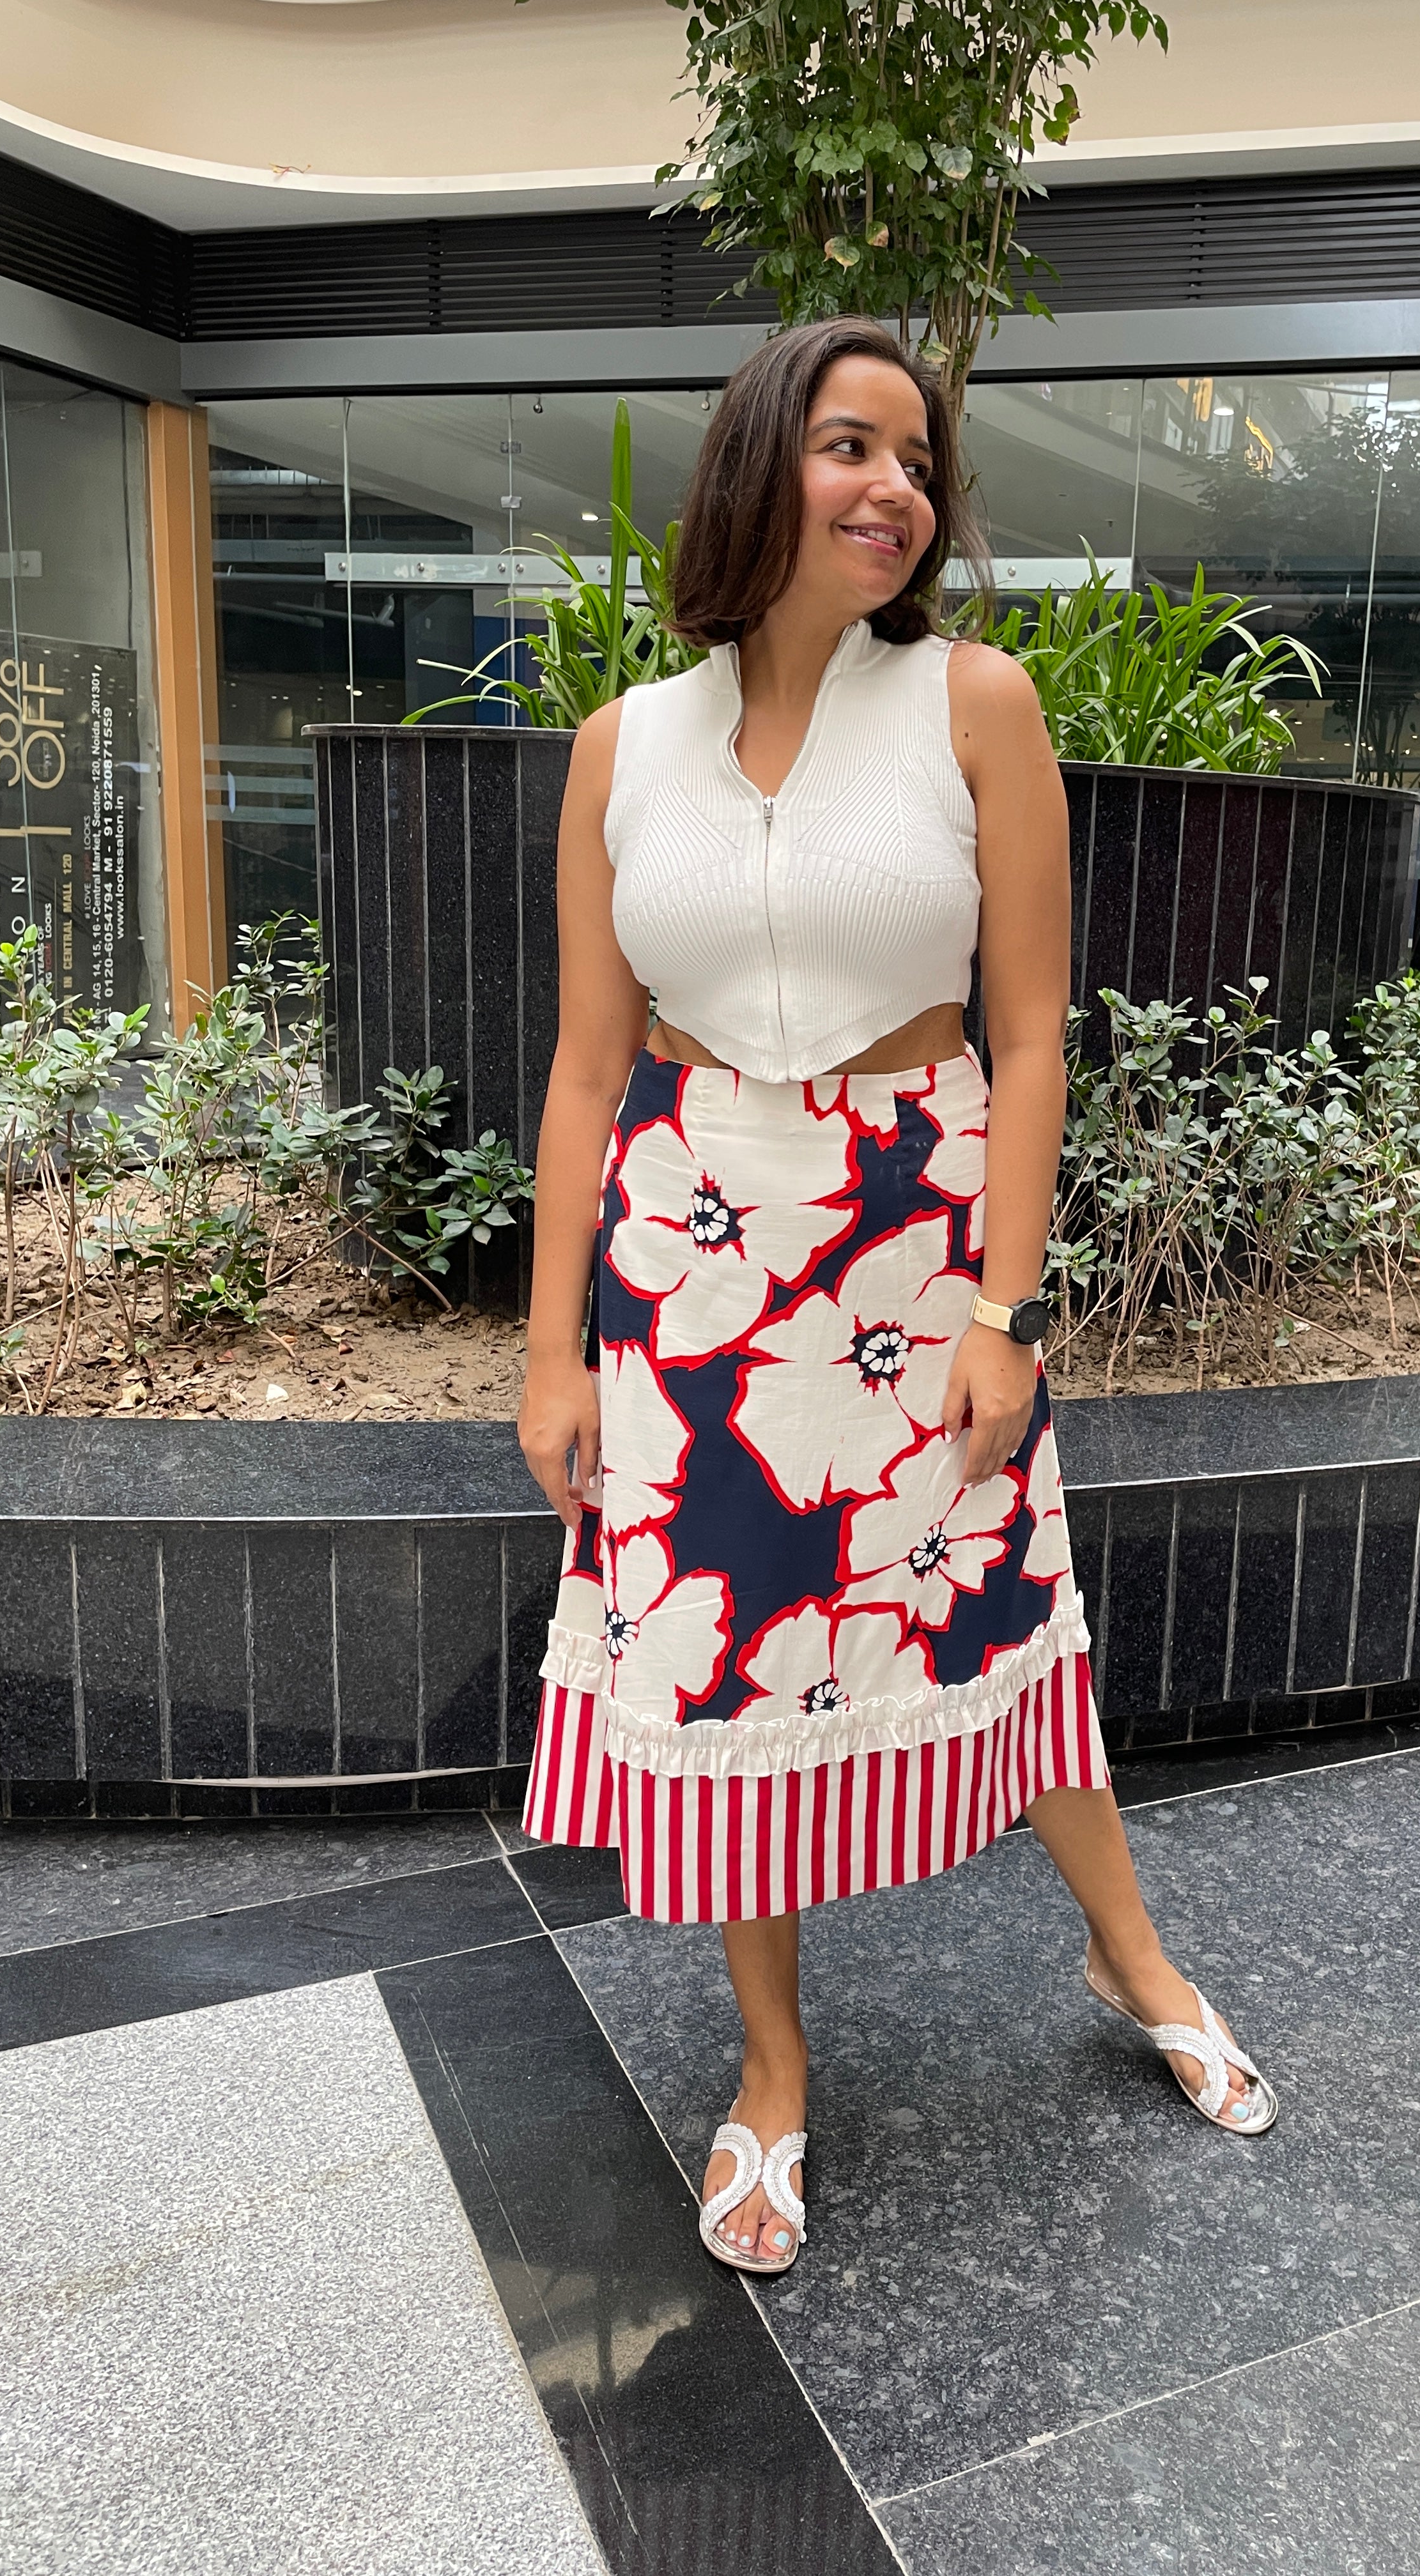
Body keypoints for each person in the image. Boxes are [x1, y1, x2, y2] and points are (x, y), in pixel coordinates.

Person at [516, 317, 1275, 2278]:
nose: (893, 490)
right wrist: (548, 1354)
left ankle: (1131, 1955)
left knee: (1006, 1602)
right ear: (760, 463)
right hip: (690, 1255)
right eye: (853, 445)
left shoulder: (973, 704)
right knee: (725, 1656)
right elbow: (590, 1073)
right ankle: (771, 2072)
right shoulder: (629, 746)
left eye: (919, 462)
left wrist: (1009, 1309)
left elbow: (1034, 1036)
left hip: (917, 1234)